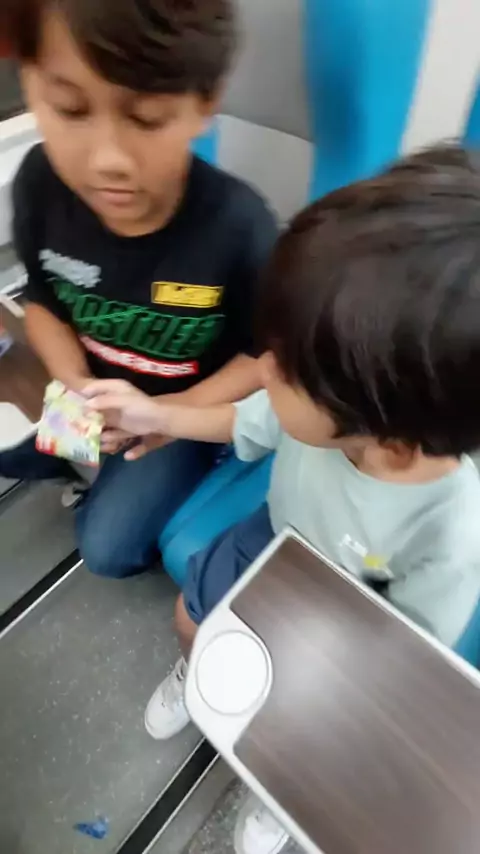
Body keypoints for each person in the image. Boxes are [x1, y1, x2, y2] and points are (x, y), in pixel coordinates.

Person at [87, 144, 480, 854]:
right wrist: (160, 415)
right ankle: (198, 676)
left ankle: (272, 783)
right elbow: (242, 420)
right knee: (190, 618)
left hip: (356, 618)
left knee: (300, 724)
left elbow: (407, 656)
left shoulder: (451, 531)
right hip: (276, 539)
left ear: (390, 434)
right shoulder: (322, 408)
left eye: (288, 368)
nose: (263, 368)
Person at [0, 0, 277, 577]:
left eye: (147, 118)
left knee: (107, 549)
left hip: (185, 407)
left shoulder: (240, 226)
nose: (109, 162)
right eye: (70, 109)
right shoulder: (39, 184)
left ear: (205, 103)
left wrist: (163, 416)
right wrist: (76, 385)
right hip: (94, 390)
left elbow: (263, 357)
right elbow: (44, 302)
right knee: (26, 457)